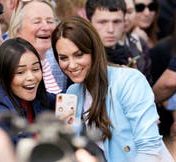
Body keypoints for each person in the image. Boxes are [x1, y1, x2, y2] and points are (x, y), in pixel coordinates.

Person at [51, 16, 174, 162]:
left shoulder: (129, 81)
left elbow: (150, 148)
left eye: (79, 55)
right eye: (63, 58)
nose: (71, 65)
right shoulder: (72, 93)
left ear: (94, 51)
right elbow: (67, 150)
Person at [0, 37, 56, 143]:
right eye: (20, 72)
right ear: (4, 75)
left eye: (35, 69)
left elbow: (62, 100)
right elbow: (14, 147)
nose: (31, 77)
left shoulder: (40, 97)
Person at [9, 0, 67, 93]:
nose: (46, 27)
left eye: (50, 21)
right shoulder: (11, 70)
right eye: (37, 22)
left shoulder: (50, 63)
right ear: (17, 30)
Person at [85, 0, 133, 66]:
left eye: (116, 22)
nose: (111, 29)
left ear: (124, 22)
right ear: (89, 24)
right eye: (102, 22)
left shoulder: (129, 54)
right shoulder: (82, 57)